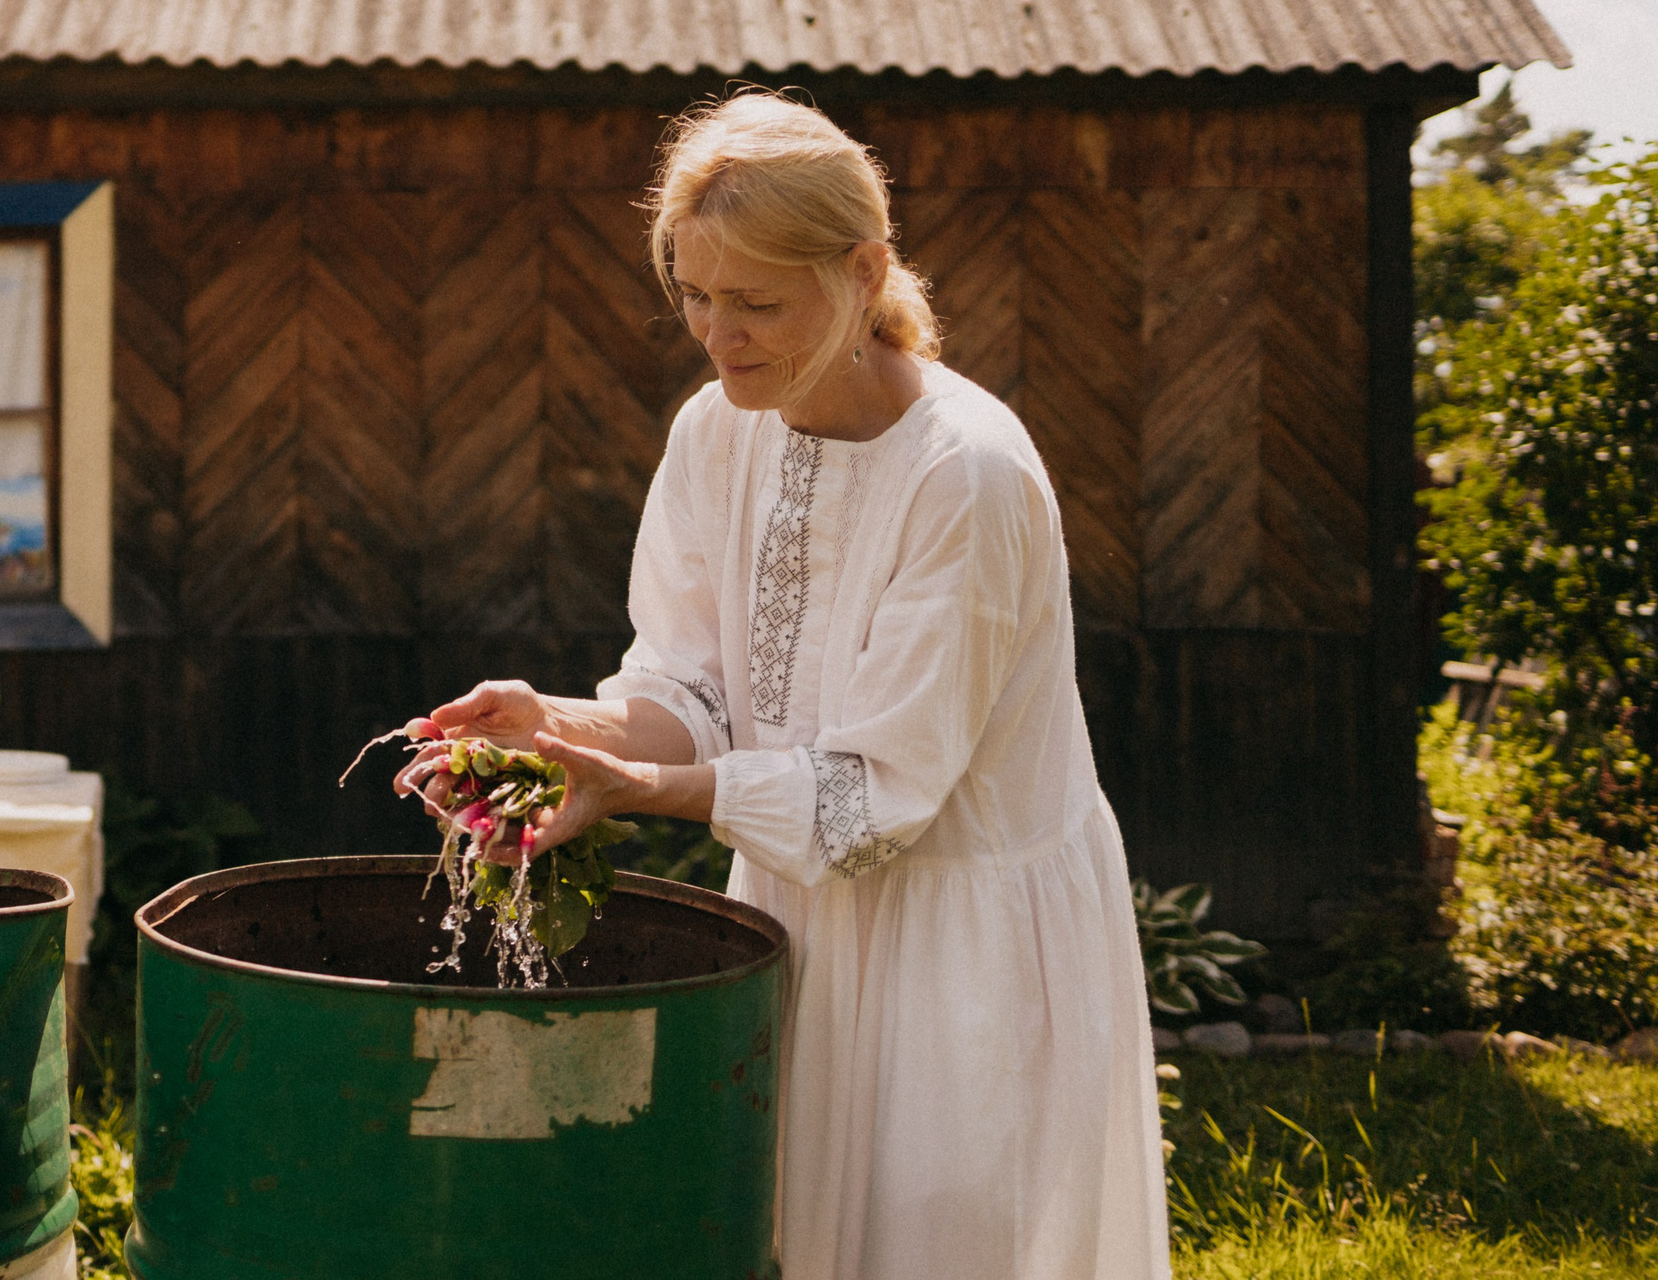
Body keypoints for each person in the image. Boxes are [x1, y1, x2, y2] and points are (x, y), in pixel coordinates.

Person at [404, 92, 1168, 1280]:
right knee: (783, 1239)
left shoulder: (965, 476)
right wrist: (562, 727)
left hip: (961, 937)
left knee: (943, 1238)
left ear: (864, 271)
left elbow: (873, 799)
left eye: (755, 302)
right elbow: (692, 689)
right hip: (792, 899)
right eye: (695, 297)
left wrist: (633, 788)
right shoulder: (717, 432)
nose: (719, 336)